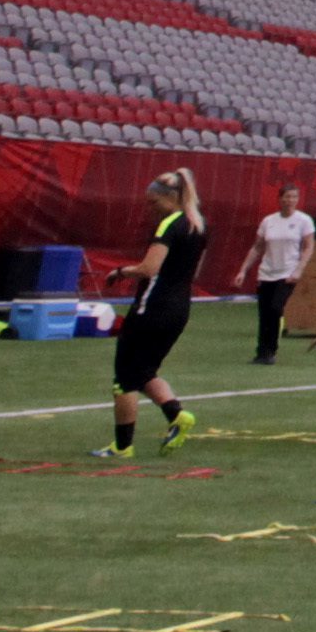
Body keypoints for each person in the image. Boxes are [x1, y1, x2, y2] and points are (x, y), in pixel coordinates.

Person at [102, 169, 201, 462]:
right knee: (145, 371)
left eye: (153, 202)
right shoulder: (197, 223)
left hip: (152, 308)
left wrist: (121, 272)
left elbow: (149, 268)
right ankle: (178, 415)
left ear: (170, 198)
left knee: (124, 378)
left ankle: (122, 446)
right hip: (179, 309)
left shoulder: (169, 225)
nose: (150, 208)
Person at [248, 181, 312, 364]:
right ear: (280, 198)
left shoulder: (303, 221)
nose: (290, 200)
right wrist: (243, 270)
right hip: (267, 271)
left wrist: (299, 269)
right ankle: (261, 351)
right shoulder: (269, 221)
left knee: (276, 308)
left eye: (294, 197)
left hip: (288, 272)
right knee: (265, 312)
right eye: (287, 196)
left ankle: (271, 349)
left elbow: (308, 247)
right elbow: (258, 247)